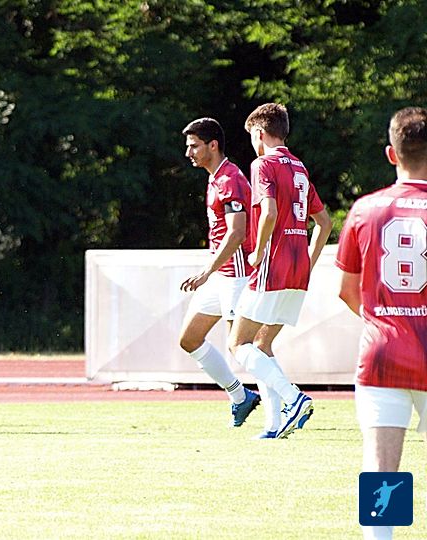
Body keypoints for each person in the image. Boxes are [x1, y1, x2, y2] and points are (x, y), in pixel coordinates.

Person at [336, 106, 427, 540]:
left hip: (383, 352)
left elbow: (346, 290)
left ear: (392, 154)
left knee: (381, 468)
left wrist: (383, 320)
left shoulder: (365, 209)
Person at [227, 103, 332, 439]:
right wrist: (309, 261)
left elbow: (269, 212)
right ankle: (273, 425)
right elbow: (325, 222)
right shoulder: (299, 167)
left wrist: (258, 251)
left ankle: (294, 398)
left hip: (273, 264)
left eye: (252, 137)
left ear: (259, 133)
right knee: (261, 344)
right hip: (298, 269)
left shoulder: (263, 164)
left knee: (237, 343)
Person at [178, 117, 260, 428]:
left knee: (243, 346)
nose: (189, 153)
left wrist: (205, 271)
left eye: (194, 146)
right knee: (189, 339)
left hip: (236, 275)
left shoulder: (230, 179)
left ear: (213, 145)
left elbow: (237, 233)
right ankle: (240, 397)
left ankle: (290, 399)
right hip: (221, 275)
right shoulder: (215, 177)